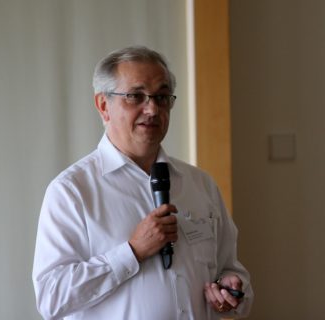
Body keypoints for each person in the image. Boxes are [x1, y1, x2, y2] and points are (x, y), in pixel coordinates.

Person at [32, 45, 253, 320]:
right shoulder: (72, 191)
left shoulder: (201, 184)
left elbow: (231, 269)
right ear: (103, 105)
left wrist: (230, 289)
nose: (152, 109)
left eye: (161, 97)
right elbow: (52, 298)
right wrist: (132, 252)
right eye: (135, 96)